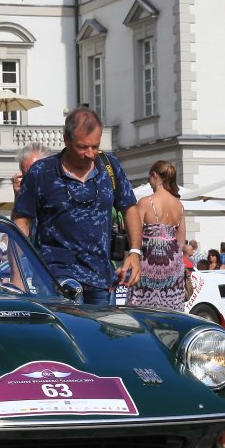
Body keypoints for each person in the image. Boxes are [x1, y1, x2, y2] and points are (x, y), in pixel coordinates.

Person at [13, 107, 142, 305]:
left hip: (100, 277)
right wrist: (17, 274)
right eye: (82, 147)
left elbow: (130, 208)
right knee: (69, 324)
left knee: (99, 326)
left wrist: (135, 252)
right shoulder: (42, 172)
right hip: (56, 275)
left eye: (95, 146)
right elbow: (21, 220)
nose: (90, 154)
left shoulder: (109, 166)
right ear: (66, 139)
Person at [130, 161, 188, 311]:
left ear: (154, 175)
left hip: (148, 261)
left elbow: (134, 233)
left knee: (142, 309)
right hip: (173, 263)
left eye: (149, 177)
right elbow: (181, 241)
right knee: (169, 311)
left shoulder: (145, 202)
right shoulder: (179, 205)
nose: (149, 182)